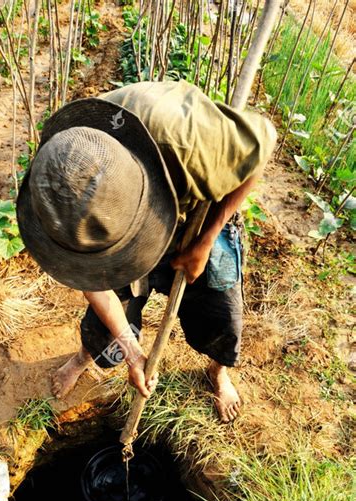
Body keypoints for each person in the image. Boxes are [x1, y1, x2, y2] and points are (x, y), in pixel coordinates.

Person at [16, 80, 276, 422]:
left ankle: (217, 371)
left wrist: (206, 240)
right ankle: (85, 356)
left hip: (195, 213)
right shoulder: (62, 174)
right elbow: (93, 284)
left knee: (221, 307)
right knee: (108, 322)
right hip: (116, 216)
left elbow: (263, 144)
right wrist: (133, 352)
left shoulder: (192, 144)